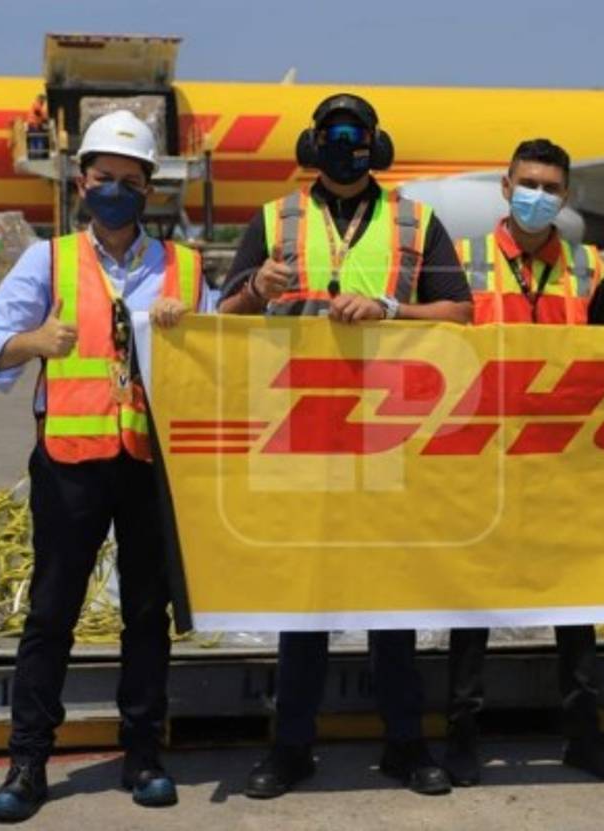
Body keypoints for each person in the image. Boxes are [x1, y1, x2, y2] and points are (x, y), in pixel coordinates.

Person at [219, 92, 472, 798]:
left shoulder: (415, 222)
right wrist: (255, 290)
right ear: (313, 143)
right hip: (300, 432)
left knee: (394, 603)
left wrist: (392, 308)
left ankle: (405, 743)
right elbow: (221, 315)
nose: (342, 142)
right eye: (331, 132)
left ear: (374, 145)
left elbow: (461, 311)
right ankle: (291, 745)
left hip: (392, 434)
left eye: (353, 133)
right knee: (305, 605)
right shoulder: (274, 221)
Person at [0, 110, 212, 823]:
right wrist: (35, 339)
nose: (116, 191)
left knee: (146, 613)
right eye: (105, 179)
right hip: (69, 465)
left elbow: (224, 347)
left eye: (130, 182)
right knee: (51, 613)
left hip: (147, 464)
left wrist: (190, 325)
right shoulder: (46, 260)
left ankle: (143, 756)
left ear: (149, 189)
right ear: (83, 181)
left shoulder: (183, 267)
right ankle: (27, 761)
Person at [446, 138, 604, 787]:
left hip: (563, 462)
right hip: (483, 461)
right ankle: (461, 740)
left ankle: (585, 737)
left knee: (576, 608)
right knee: (471, 612)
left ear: (566, 196)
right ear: (504, 186)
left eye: (551, 187)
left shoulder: (591, 267)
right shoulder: (461, 262)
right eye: (528, 182)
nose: (538, 196)